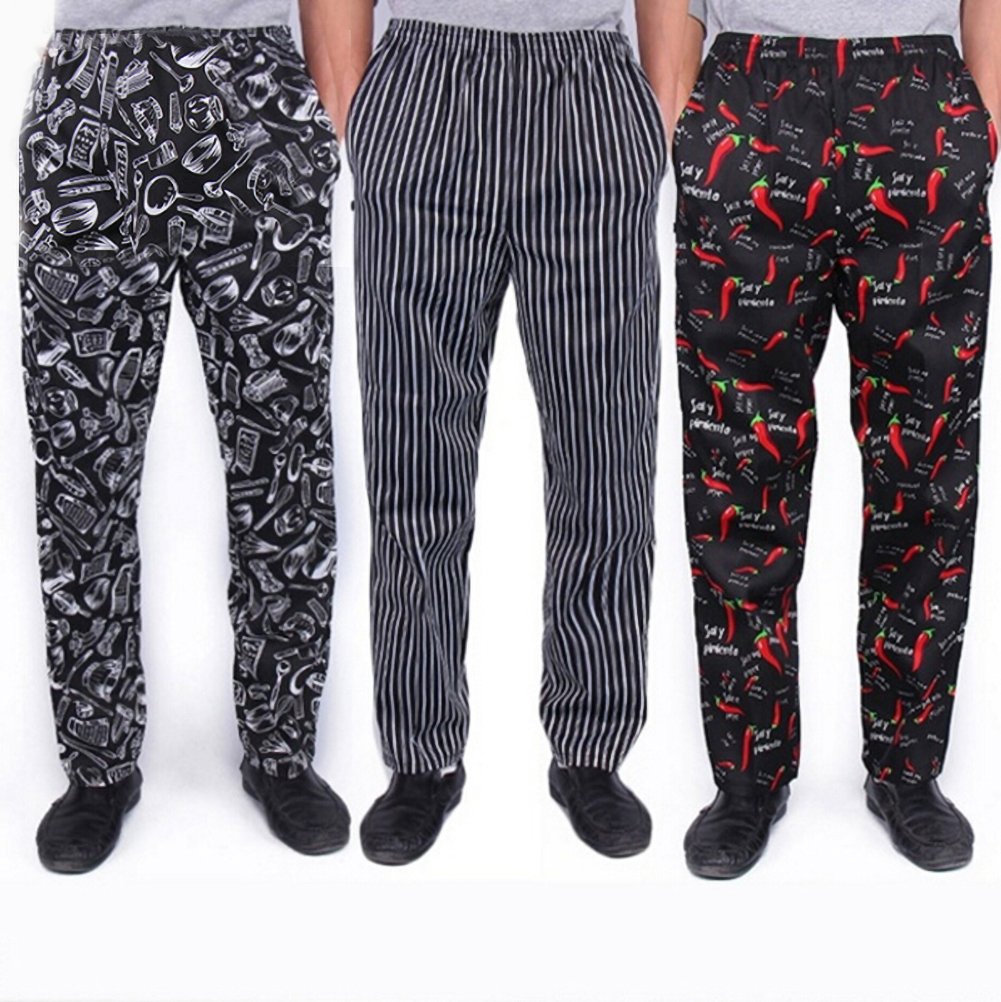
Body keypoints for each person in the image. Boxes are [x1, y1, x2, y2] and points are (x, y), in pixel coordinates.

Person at [325, 0, 681, 864]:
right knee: (414, 455)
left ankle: (591, 747)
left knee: (606, 453)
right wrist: (365, 121)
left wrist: (653, 123)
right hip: (423, 86)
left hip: (589, 88)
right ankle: (421, 755)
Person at [20, 0, 349, 872]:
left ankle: (281, 750)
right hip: (93, 93)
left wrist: (323, 121)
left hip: (256, 92)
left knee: (283, 454)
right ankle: (97, 766)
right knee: (82, 457)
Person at [671, 0, 999, 877]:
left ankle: (907, 768)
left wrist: (979, 125)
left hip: (921, 96)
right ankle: (748, 774)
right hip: (750, 93)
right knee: (738, 463)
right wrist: (685, 124)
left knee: (926, 467)